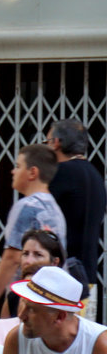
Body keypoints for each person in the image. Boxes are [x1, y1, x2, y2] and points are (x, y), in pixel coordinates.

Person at [0, 144, 67, 326]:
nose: (13, 171)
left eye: (18, 166)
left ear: (32, 172)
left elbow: (12, 258)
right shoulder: (55, 209)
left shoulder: (27, 206)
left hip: (25, 298)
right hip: (51, 297)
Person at [46, 119, 105, 298]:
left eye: (47, 142)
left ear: (56, 143)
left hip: (62, 277)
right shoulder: (96, 176)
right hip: (88, 277)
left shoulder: (61, 172)